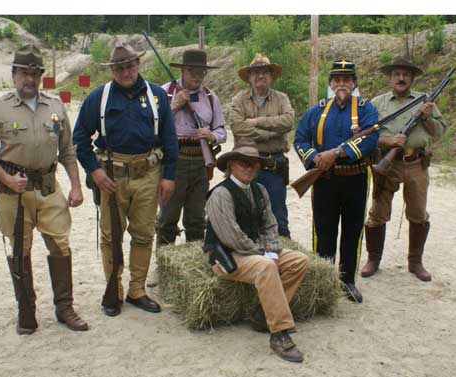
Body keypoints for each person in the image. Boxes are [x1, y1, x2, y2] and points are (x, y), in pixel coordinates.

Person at [0, 44, 88, 334]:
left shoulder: (55, 106)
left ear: (41, 76)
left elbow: (68, 151)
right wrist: (5, 178)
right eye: (24, 72)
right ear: (14, 74)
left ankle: (64, 308)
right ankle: (26, 310)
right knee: (19, 250)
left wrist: (76, 186)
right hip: (14, 190)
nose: (30, 79)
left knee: (61, 246)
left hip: (49, 187)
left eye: (35, 73)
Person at [73, 44, 178, 316]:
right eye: (119, 68)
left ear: (138, 65)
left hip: (148, 175)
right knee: (111, 237)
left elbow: (169, 139)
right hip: (111, 177)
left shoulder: (157, 96)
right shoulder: (99, 97)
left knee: (144, 234)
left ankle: (137, 290)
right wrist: (95, 172)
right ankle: (114, 290)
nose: (126, 72)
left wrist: (168, 176)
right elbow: (80, 140)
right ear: (112, 70)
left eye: (130, 66)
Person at [204, 145, 310, 363]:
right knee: (266, 266)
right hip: (227, 256)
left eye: (255, 164)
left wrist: (271, 249)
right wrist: (264, 253)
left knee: (299, 261)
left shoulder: (260, 190)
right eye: (244, 162)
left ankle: (263, 314)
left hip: (254, 251)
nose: (250, 168)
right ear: (231, 165)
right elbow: (231, 237)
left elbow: (271, 225)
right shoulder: (220, 194)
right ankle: (279, 333)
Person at [293, 60, 379, 303]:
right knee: (324, 231)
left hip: (356, 178)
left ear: (354, 83)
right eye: (337, 80)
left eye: (347, 79)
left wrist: (337, 153)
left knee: (353, 231)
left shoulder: (366, 109)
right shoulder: (316, 110)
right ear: (330, 83)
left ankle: (347, 280)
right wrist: (314, 159)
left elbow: (371, 138)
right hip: (325, 179)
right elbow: (300, 139)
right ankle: (324, 279)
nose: (342, 84)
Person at [361, 57, 446, 281]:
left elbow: (438, 132)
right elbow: (364, 134)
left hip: (417, 163)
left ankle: (415, 263)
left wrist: (427, 118)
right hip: (386, 165)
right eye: (397, 74)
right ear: (390, 78)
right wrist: (388, 141)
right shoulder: (377, 103)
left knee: (418, 214)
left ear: (412, 78)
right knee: (377, 213)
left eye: (406, 75)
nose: (401, 78)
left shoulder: (426, 102)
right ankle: (373, 259)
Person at [156, 49, 226, 245]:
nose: (196, 75)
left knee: (196, 219)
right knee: (167, 218)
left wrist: (211, 135)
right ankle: (165, 263)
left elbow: (222, 132)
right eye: (191, 70)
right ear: (183, 71)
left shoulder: (211, 97)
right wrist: (175, 105)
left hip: (201, 163)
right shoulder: (164, 93)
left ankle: (194, 262)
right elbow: (153, 127)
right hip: (173, 161)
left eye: (200, 72)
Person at [230, 53, 295, 239]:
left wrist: (256, 121)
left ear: (271, 76)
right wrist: (269, 133)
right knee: (244, 215)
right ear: (249, 77)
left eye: (265, 72)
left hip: (273, 165)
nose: (260, 76)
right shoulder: (238, 100)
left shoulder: (282, 98)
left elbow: (288, 121)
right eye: (256, 72)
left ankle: (283, 260)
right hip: (245, 164)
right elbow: (237, 126)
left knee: (278, 218)